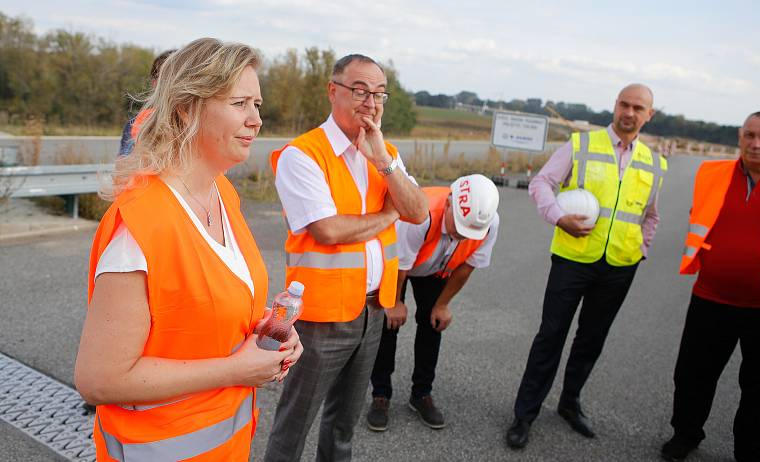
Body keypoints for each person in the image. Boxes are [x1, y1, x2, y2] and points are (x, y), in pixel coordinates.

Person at [74, 38, 303, 461]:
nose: (256, 120)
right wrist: (238, 369)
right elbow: (99, 379)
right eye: (239, 103)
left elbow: (205, 304)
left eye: (258, 104)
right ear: (186, 107)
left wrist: (274, 333)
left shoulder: (222, 194)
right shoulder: (143, 224)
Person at [264, 54, 428, 462]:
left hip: (372, 312)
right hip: (321, 319)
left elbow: (419, 211)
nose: (370, 102)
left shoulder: (384, 153)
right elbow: (328, 230)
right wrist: (390, 213)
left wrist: (383, 162)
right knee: (294, 425)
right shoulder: (303, 154)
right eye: (359, 91)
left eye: (379, 94)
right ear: (332, 90)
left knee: (343, 426)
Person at [506, 84, 668, 449]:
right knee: (551, 336)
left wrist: (642, 248)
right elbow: (542, 182)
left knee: (591, 339)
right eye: (624, 104)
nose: (629, 112)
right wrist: (558, 217)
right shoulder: (581, 146)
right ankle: (524, 414)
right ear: (615, 106)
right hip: (572, 259)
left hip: (620, 266)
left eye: (638, 107)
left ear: (649, 115)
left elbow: (651, 214)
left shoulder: (655, 163)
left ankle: (569, 402)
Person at [661, 111, 760, 462]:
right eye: (749, 135)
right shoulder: (711, 174)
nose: (756, 144)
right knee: (692, 376)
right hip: (711, 298)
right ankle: (686, 434)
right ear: (740, 137)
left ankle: (750, 453)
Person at [367, 174, 500, 431]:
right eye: (459, 226)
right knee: (388, 324)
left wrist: (443, 304)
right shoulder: (421, 214)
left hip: (435, 269)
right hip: (400, 265)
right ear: (450, 202)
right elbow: (401, 265)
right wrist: (394, 302)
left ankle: (421, 394)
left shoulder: (488, 222)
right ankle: (380, 394)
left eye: (468, 231)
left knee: (433, 323)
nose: (462, 234)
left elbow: (467, 266)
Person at [118, 49, 175, 156]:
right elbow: (123, 166)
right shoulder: (136, 124)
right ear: (154, 83)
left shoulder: (200, 122)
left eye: (175, 75)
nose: (170, 81)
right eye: (164, 76)